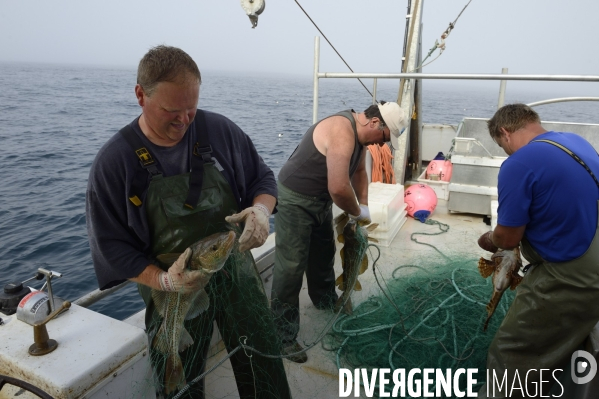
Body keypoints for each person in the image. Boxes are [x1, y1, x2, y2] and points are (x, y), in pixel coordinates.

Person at [86, 45, 291, 399]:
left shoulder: (219, 131)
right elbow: (112, 249)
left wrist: (261, 209)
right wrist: (163, 280)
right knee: (181, 382)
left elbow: (263, 180)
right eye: (171, 110)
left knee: (263, 363)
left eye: (191, 108)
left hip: (236, 273)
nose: (183, 120)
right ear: (140, 95)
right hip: (171, 290)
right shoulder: (114, 163)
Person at [477, 103, 599, 397]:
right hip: (591, 255)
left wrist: (489, 239)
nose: (506, 152)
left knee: (513, 350)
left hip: (573, 271)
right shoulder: (576, 142)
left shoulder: (519, 163)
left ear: (504, 133)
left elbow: (508, 238)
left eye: (501, 145)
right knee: (571, 340)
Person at [271, 101, 407, 363]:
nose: (381, 145)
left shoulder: (361, 139)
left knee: (324, 251)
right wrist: (357, 212)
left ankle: (323, 299)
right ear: (375, 123)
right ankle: (282, 336)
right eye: (384, 138)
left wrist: (364, 204)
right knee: (291, 266)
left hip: (320, 200)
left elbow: (357, 172)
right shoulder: (342, 131)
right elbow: (338, 187)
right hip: (296, 198)